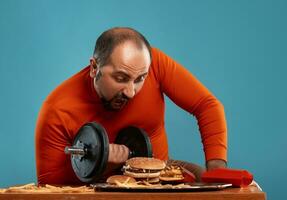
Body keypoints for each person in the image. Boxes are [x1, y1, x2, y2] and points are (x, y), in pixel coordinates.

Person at [35, 27, 227, 185]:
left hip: (159, 178)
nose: (131, 92)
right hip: (95, 188)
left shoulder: (155, 64)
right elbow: (51, 190)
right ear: (95, 68)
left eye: (140, 79)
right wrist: (102, 165)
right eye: (121, 78)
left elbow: (207, 106)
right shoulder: (57, 109)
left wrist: (217, 173)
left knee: (205, 181)